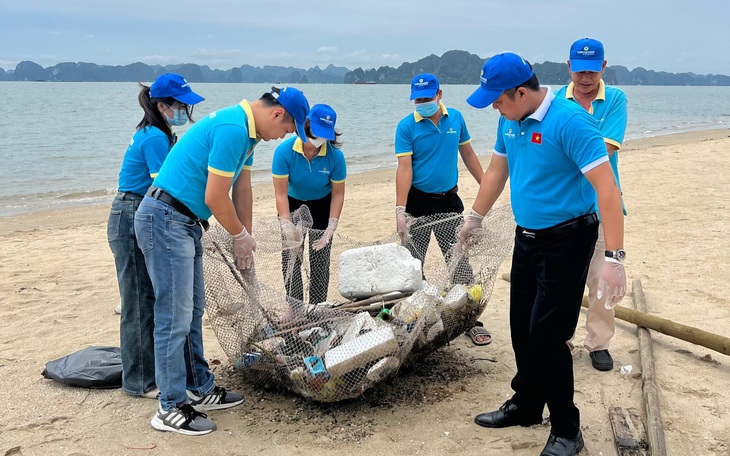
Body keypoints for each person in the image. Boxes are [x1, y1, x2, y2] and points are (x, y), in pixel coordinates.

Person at [459, 53, 627, 455]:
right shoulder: (510, 120)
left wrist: (614, 259)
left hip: (569, 239)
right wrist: (476, 216)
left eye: (497, 100)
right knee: (521, 326)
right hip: (527, 237)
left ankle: (568, 429)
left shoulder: (570, 122)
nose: (494, 108)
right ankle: (527, 404)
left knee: (548, 335)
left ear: (521, 92)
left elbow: (607, 189)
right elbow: (498, 170)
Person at [134, 86, 310, 435]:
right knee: (174, 315)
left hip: (186, 222)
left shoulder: (249, 133)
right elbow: (215, 196)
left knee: (193, 308)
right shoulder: (232, 129)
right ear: (277, 114)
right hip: (165, 218)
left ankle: (199, 387)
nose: (285, 137)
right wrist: (238, 236)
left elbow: (240, 191)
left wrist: (241, 239)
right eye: (289, 129)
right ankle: (169, 405)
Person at [107, 73, 204, 399]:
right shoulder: (155, 138)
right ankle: (141, 382)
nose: (185, 112)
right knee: (138, 301)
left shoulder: (159, 133)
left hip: (139, 210)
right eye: (180, 105)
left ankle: (155, 374)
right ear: (162, 105)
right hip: (134, 211)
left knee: (152, 296)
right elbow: (164, 186)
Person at [395, 73, 486, 343]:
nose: (423, 103)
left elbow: (467, 153)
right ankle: (414, 324)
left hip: (448, 201)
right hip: (417, 201)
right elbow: (404, 168)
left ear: (440, 95)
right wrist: (400, 209)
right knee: (412, 265)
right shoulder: (406, 127)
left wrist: (485, 186)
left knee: (458, 261)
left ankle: (471, 320)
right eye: (418, 99)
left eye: (427, 97)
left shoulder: (455, 118)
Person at [555, 38, 629, 372]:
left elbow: (606, 149)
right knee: (563, 279)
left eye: (592, 70)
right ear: (569, 67)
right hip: (564, 205)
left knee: (601, 277)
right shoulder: (557, 99)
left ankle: (598, 342)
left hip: (600, 205)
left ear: (603, 66)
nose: (585, 77)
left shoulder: (614, 99)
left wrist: (565, 149)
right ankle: (562, 338)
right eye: (579, 70)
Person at [272, 104, 346, 305]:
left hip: (322, 205)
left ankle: (317, 307)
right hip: (293, 204)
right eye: (316, 132)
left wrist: (332, 225)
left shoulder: (335, 157)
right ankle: (295, 307)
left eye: (325, 135)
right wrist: (286, 225)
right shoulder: (284, 152)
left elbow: (338, 194)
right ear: (306, 125)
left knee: (320, 260)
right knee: (291, 257)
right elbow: (280, 193)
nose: (319, 139)